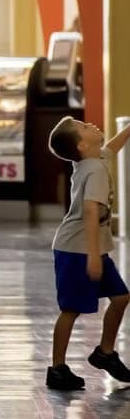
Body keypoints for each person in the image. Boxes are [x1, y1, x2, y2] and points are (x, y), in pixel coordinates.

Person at [44, 117, 130, 391]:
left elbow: (112, 147)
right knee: (71, 309)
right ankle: (57, 369)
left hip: (91, 248)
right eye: (84, 127)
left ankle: (105, 352)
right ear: (82, 145)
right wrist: (93, 255)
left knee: (121, 297)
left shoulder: (94, 158)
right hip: (77, 249)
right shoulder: (93, 170)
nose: (90, 124)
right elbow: (91, 211)